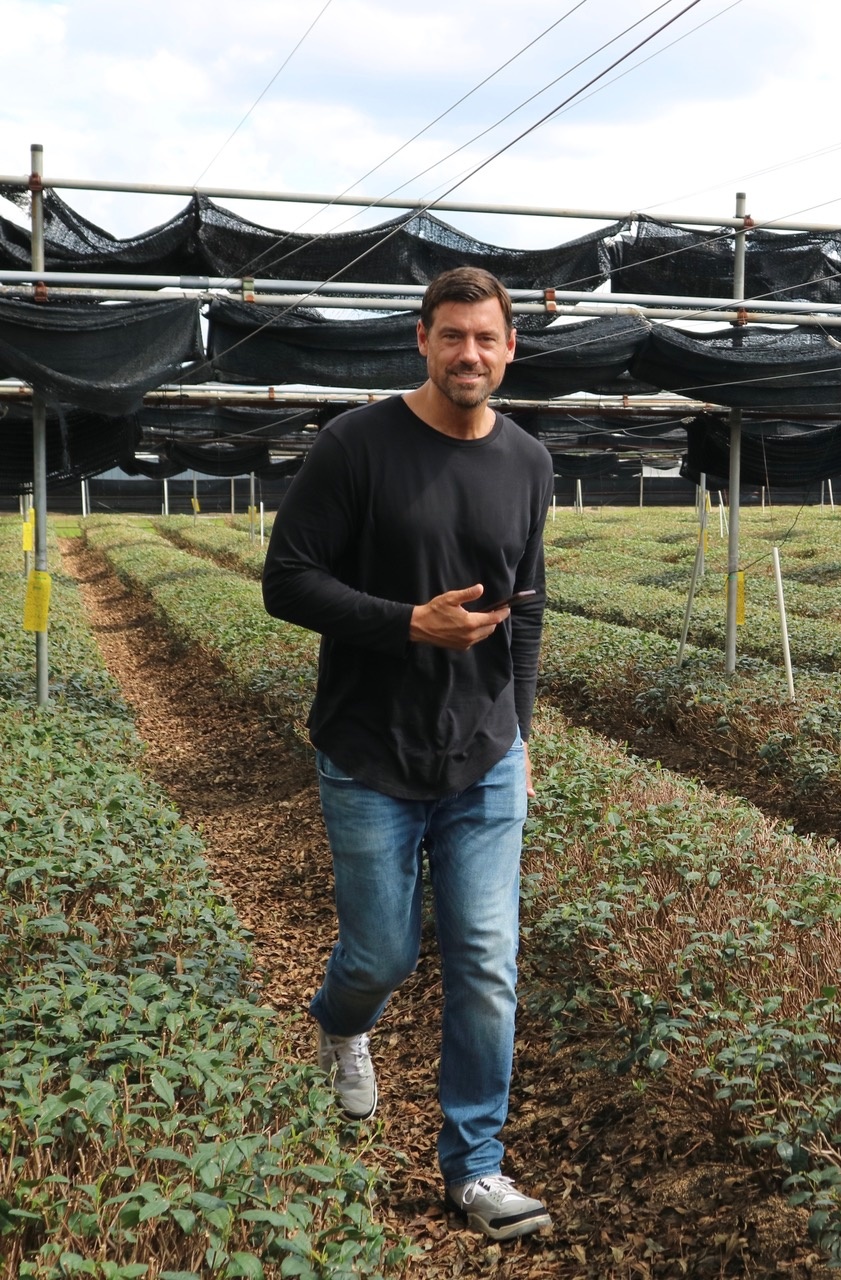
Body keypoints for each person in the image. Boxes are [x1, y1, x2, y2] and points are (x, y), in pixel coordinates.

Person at [262, 266, 553, 1242]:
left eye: (487, 338)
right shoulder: (356, 446)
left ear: (510, 348)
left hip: (483, 756)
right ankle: (343, 1020)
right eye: (452, 335)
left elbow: (529, 604)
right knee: (383, 951)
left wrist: (520, 724)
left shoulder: (529, 462)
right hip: (369, 749)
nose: (469, 353)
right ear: (421, 340)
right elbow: (286, 579)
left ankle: (474, 1165)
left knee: (483, 958)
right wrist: (405, 625)